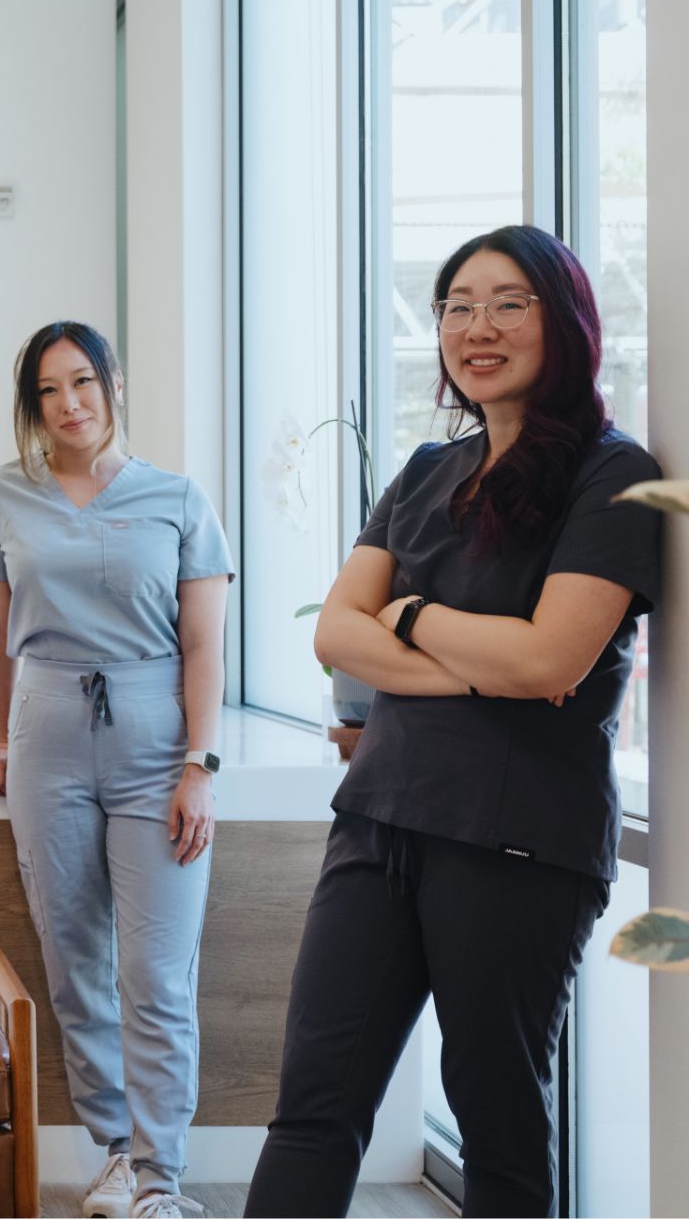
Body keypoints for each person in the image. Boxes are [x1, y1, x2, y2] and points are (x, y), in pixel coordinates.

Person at [246, 225, 662, 1219]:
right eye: (457, 306)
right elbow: (337, 634)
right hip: (379, 819)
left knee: (498, 1128)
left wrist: (412, 616)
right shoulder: (429, 468)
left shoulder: (612, 475)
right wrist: (487, 670)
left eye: (509, 303)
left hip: (517, 838)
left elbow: (550, 659)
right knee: (313, 1108)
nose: (479, 327)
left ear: (565, 321)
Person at [0, 321, 233, 1219]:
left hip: (156, 735)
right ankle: (116, 1152)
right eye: (47, 390)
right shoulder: (3, 493)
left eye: (82, 381)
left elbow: (204, 645)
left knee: (155, 970)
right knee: (73, 957)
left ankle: (161, 1177)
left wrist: (198, 764)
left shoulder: (178, 497)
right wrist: (0, 736)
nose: (68, 403)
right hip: (47, 733)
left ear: (113, 383)